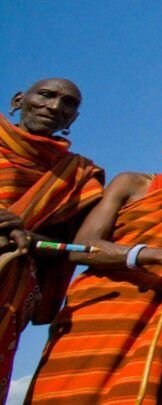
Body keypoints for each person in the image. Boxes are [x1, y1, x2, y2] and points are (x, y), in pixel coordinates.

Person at [28, 121, 162, 404]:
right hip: (99, 307)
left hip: (158, 317)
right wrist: (156, 254)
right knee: (66, 391)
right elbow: (82, 247)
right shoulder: (132, 183)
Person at [0, 78, 104, 403]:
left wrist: (29, 239)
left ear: (72, 119)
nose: (56, 106)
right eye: (46, 95)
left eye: (68, 104)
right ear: (19, 100)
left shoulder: (78, 175)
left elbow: (68, 247)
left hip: (10, 287)